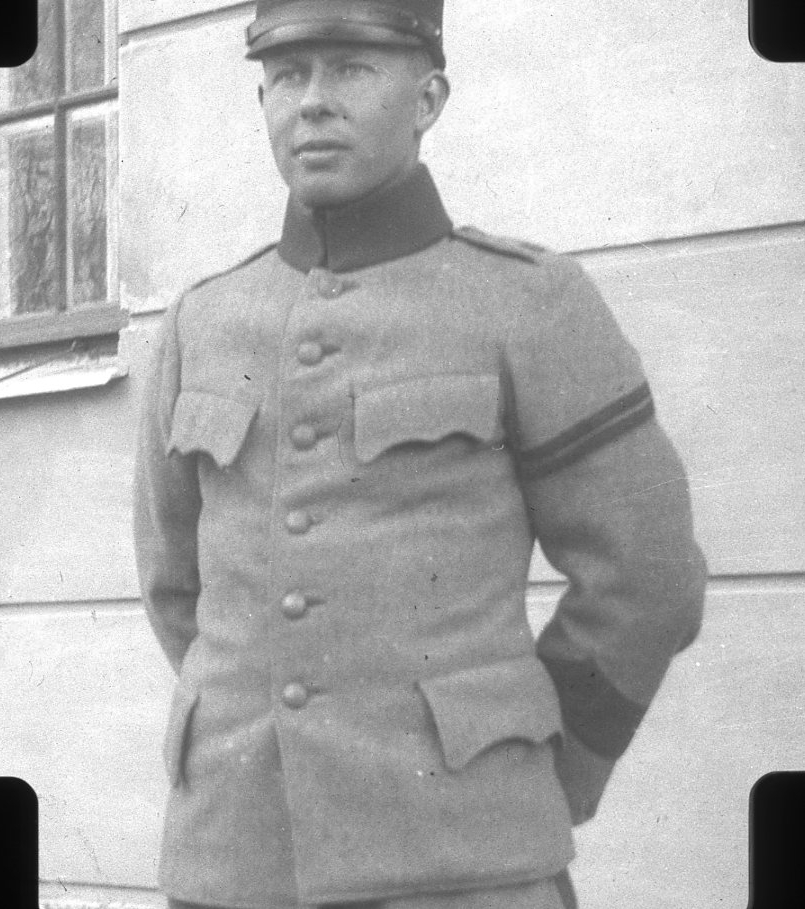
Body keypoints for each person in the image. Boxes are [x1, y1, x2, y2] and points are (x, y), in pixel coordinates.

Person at [133, 2, 707, 907]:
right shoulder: (201, 322)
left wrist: (536, 764)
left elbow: (650, 574)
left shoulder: (531, 303)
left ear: (429, 97)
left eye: (351, 68)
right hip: (235, 863)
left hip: (465, 862)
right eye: (287, 75)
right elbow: (178, 588)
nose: (312, 102)